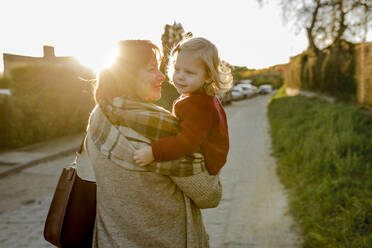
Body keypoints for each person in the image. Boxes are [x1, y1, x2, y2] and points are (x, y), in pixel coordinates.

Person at [85, 39, 222, 248]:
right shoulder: (163, 130)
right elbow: (209, 195)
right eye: (152, 69)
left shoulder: (99, 117)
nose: (163, 76)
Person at [134, 37, 233, 176]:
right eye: (177, 69)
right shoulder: (200, 98)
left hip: (205, 167)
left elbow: (186, 142)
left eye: (189, 72)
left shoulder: (200, 107)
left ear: (208, 76)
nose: (180, 76)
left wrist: (154, 152)